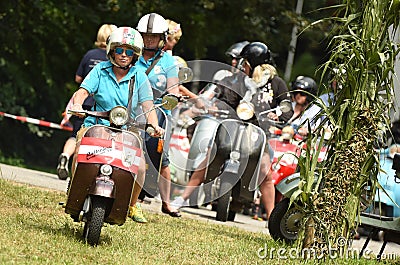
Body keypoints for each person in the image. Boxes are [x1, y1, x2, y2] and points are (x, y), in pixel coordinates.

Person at [172, 42, 293, 222]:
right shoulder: (236, 79)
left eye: (244, 62)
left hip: (258, 132)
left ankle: (272, 218)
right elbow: (219, 93)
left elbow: (287, 107)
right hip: (232, 128)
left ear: (252, 63)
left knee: (265, 171)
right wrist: (209, 104)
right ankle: (182, 199)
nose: (241, 65)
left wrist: (279, 115)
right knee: (209, 156)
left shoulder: (276, 83)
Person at [70, 26, 163, 223]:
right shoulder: (100, 70)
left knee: (140, 168)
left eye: (128, 51)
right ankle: (74, 191)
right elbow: (83, 91)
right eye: (119, 50)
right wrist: (78, 104)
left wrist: (154, 126)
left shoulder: (139, 76)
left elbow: (148, 106)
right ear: (111, 50)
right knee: (79, 152)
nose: (123, 55)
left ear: (134, 55)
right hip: (95, 124)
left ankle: (131, 205)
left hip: (126, 130)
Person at [135, 13, 182, 217]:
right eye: (145, 35)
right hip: (131, 109)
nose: (149, 39)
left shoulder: (169, 61)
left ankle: (167, 202)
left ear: (162, 37)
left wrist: (173, 97)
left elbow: (174, 89)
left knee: (162, 157)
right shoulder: (131, 55)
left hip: (158, 111)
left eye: (153, 35)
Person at [57, 24, 117, 180]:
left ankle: (66, 155)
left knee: (76, 135)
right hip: (102, 104)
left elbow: (78, 78)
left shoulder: (89, 54)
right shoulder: (112, 60)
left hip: (83, 103)